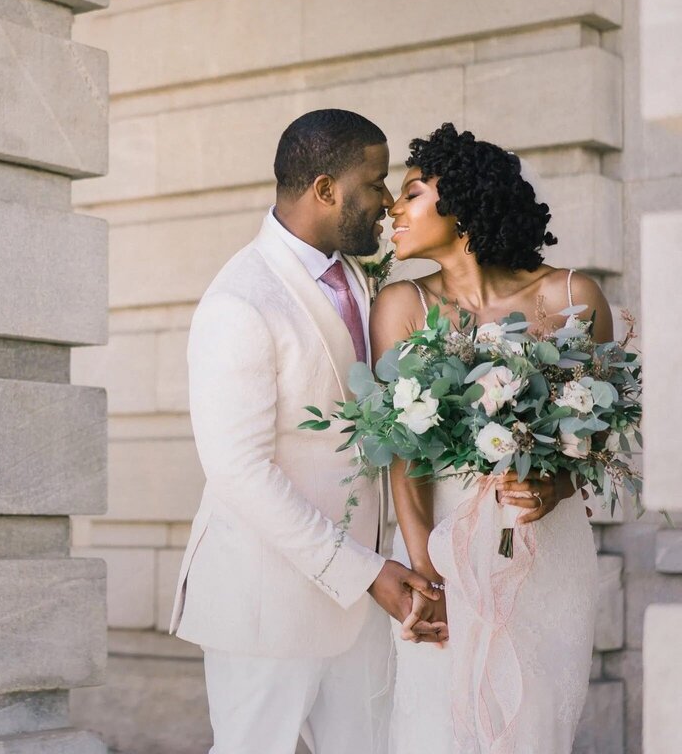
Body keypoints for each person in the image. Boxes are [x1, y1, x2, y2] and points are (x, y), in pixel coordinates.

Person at [169, 109, 565, 753]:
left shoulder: (367, 277)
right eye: (376, 183)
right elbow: (238, 472)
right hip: (269, 601)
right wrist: (367, 572)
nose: (386, 202)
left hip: (370, 607)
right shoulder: (238, 302)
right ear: (326, 190)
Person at [374, 123, 603, 753]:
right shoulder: (401, 305)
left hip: (544, 549)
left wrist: (555, 483)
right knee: (434, 728)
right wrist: (427, 574)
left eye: (412, 192)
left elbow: (596, 438)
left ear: (464, 204)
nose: (394, 208)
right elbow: (402, 453)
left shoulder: (571, 298)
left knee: (532, 729)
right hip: (444, 541)